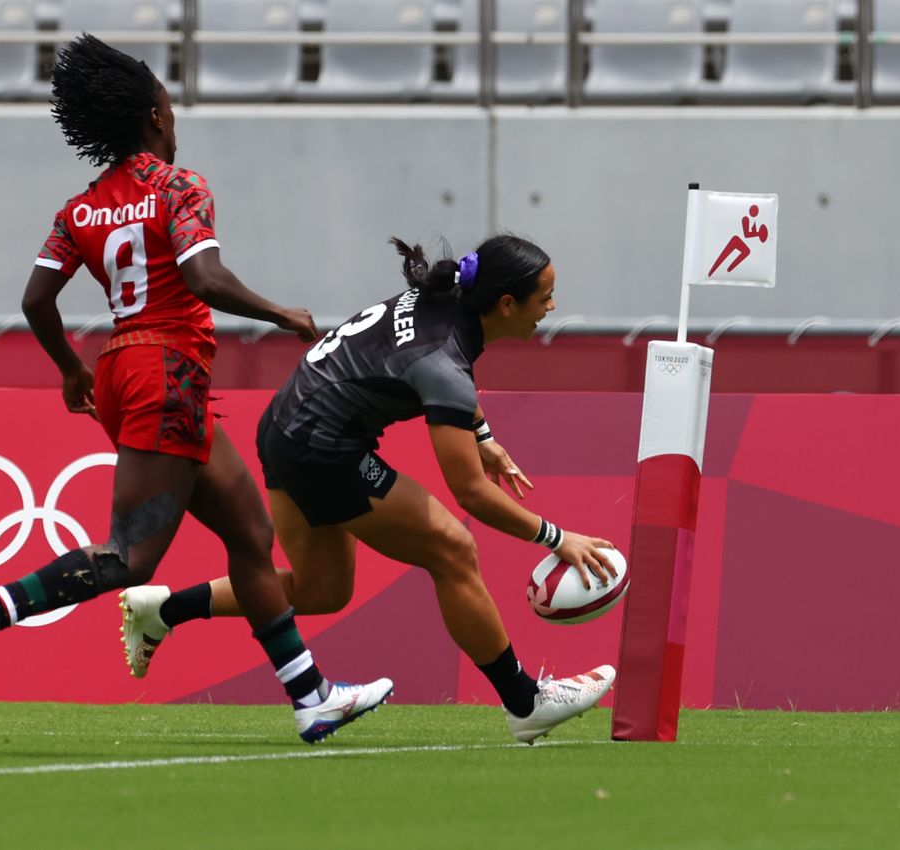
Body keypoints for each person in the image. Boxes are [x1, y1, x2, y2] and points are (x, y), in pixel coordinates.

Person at [0, 35, 392, 744]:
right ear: (153, 115)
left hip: (127, 370)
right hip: (166, 372)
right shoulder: (179, 187)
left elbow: (35, 300)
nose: (175, 119)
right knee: (130, 559)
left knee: (250, 536)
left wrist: (70, 369)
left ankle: (312, 699)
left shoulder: (81, 208)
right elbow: (203, 278)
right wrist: (279, 312)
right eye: (170, 107)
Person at [120, 234, 620, 744]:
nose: (552, 307)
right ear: (508, 303)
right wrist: (558, 538)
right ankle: (525, 701)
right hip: (322, 448)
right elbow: (470, 492)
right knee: (453, 549)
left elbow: (451, 374)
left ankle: (163, 610)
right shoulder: (443, 359)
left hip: (284, 426)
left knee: (322, 590)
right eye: (545, 297)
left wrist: (483, 435)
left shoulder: (448, 294)